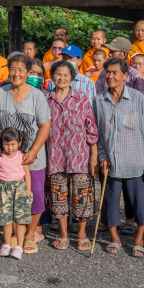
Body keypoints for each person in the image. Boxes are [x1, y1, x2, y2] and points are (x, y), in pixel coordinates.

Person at [93, 58, 144, 256]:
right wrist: (102, 156)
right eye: (108, 73)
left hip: (136, 161)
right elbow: (97, 134)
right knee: (110, 202)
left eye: (115, 72)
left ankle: (139, 238)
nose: (110, 76)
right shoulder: (98, 100)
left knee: (139, 202)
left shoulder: (138, 98)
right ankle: (114, 237)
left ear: (125, 76)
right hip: (111, 163)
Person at [0, 54, 51, 253]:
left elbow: (45, 125)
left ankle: (30, 234)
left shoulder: (36, 95)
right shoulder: (0, 93)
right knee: (10, 198)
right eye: (13, 69)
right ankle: (14, 235)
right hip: (7, 157)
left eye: (21, 70)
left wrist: (33, 151)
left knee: (33, 196)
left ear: (28, 72)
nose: (16, 73)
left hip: (30, 158)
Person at [45, 60, 99, 253]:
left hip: (80, 156)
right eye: (58, 74)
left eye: (66, 75)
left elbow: (91, 128)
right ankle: (63, 233)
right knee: (58, 195)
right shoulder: (46, 99)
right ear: (52, 77)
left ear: (72, 78)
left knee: (82, 195)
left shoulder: (81, 97)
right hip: (55, 156)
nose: (61, 78)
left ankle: (82, 233)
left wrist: (94, 156)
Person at [0, 127, 33, 259]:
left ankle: (19, 246)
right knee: (6, 218)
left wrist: (28, 189)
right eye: (7, 144)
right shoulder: (0, 156)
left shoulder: (22, 156)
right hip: (4, 189)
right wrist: (3, 180)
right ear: (2, 143)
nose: (10, 147)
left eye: (13, 144)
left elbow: (27, 174)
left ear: (19, 143)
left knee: (20, 219)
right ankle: (7, 244)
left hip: (20, 188)